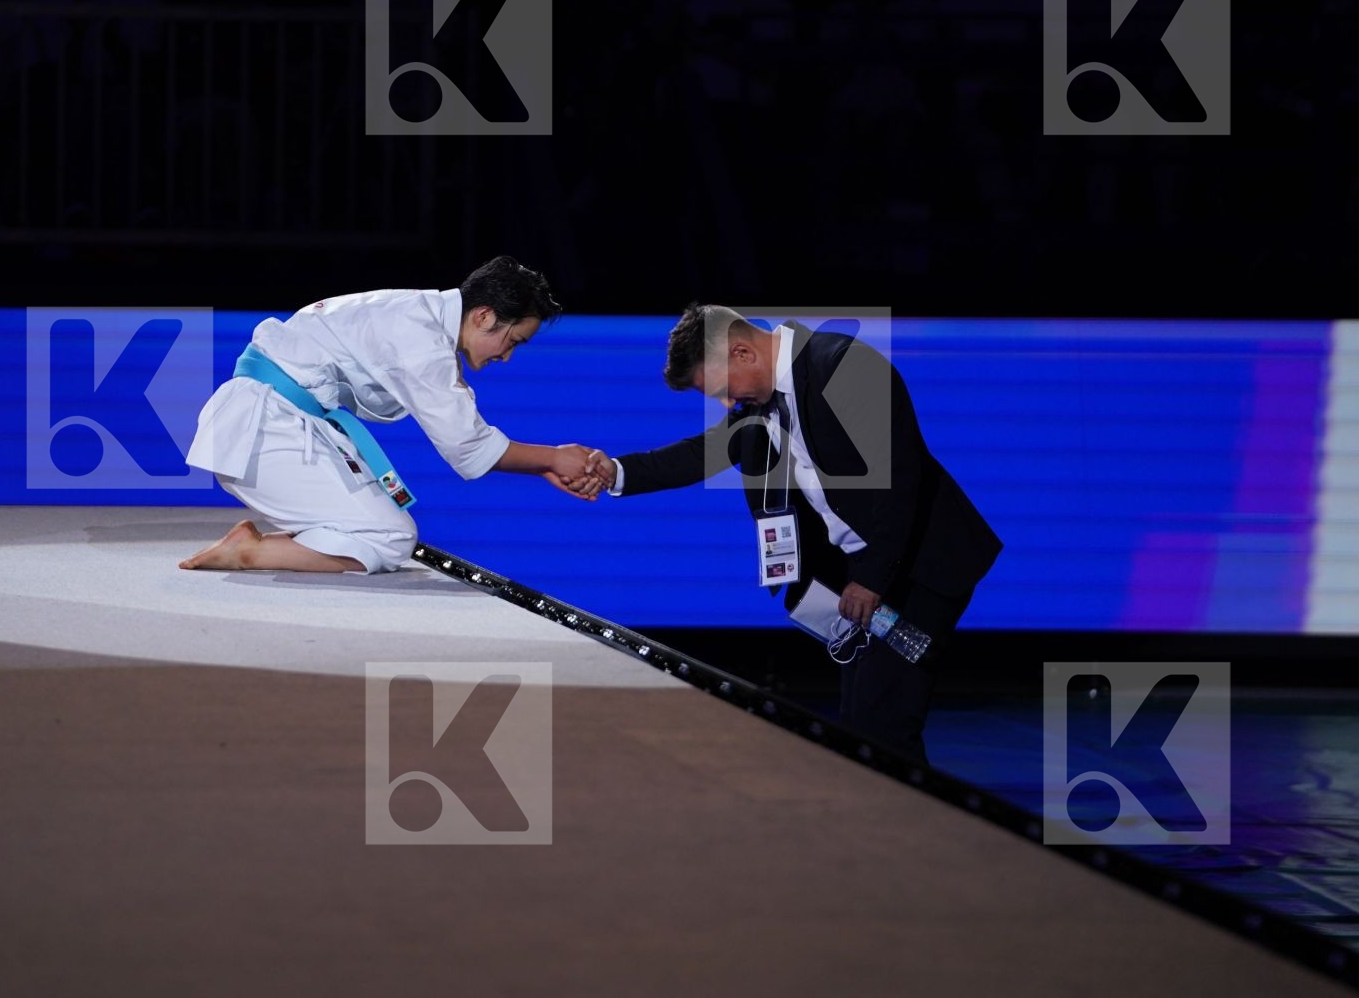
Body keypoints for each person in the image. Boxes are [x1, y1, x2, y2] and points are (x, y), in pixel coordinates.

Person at [578, 304, 1000, 761]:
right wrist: (614, 472)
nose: (725, 403)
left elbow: (901, 479)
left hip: (921, 564)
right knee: (860, 720)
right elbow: (699, 454)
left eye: (720, 389)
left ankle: (914, 828)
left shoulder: (844, 365)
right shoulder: (759, 405)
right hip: (868, 570)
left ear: (742, 353)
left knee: (883, 722)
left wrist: (873, 578)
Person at [181, 256, 600, 574]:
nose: (507, 356)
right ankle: (249, 551)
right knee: (390, 537)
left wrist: (545, 464)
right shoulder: (421, 338)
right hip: (265, 428)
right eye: (513, 341)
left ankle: (255, 543)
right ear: (484, 315)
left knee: (386, 528)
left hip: (283, 420)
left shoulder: (420, 318)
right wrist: (553, 457)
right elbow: (468, 447)